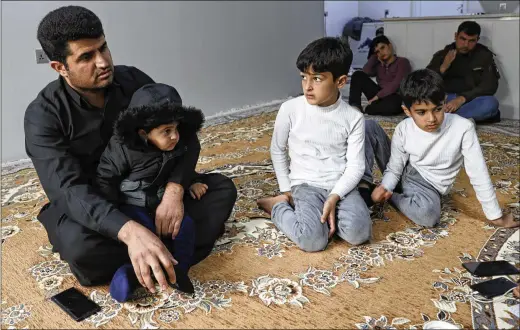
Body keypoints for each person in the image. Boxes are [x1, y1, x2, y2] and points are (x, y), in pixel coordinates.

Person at [24, 6, 237, 293]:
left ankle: (146, 259)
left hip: (151, 190)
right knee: (81, 250)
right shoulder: (43, 116)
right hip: (96, 203)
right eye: (86, 57)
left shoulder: (135, 82)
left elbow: (183, 135)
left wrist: (174, 192)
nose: (102, 62)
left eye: (104, 48)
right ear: (60, 67)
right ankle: (164, 252)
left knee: (222, 190)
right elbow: (68, 190)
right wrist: (129, 231)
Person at [256, 37, 372, 252]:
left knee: (359, 234)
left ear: (340, 81)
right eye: (304, 77)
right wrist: (287, 189)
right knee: (312, 242)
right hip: (306, 184)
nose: (308, 87)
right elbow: (278, 149)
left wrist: (335, 196)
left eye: (317, 78)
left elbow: (356, 166)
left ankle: (326, 215)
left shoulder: (353, 117)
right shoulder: (290, 109)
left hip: (340, 185)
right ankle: (277, 206)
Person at [95, 83, 209, 302]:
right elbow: (105, 178)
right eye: (166, 131)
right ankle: (132, 274)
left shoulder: (178, 141)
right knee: (147, 236)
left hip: (161, 199)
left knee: (185, 227)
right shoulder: (122, 148)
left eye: (176, 128)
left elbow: (182, 164)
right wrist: (113, 210)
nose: (175, 136)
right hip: (133, 204)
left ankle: (178, 272)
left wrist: (190, 181)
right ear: (143, 133)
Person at [366, 69, 517, 229]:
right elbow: (395, 167)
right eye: (421, 112)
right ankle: (365, 187)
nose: (431, 119)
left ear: (444, 102)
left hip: (428, 184)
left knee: (428, 216)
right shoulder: (403, 128)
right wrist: (386, 186)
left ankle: (389, 197)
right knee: (368, 126)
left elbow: (478, 172)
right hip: (405, 169)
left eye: (437, 109)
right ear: (407, 111)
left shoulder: (463, 128)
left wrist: (495, 216)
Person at [426, 21, 501, 123]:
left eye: (471, 41)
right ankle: (454, 118)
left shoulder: (484, 56)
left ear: (477, 40)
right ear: (456, 36)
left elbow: (490, 85)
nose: (466, 44)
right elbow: (426, 82)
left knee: (490, 104)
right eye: (463, 39)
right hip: (444, 99)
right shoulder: (443, 54)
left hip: (469, 100)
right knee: (414, 100)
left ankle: (441, 118)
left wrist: (462, 99)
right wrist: (443, 67)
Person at [349, 35, 411, 116]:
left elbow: (396, 84)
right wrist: (374, 57)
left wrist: (376, 97)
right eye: (377, 51)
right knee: (357, 74)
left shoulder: (402, 62)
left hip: (395, 96)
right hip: (379, 94)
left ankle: (367, 108)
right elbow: (365, 71)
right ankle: (355, 107)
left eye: (382, 48)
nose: (381, 53)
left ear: (390, 46)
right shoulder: (378, 64)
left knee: (393, 106)